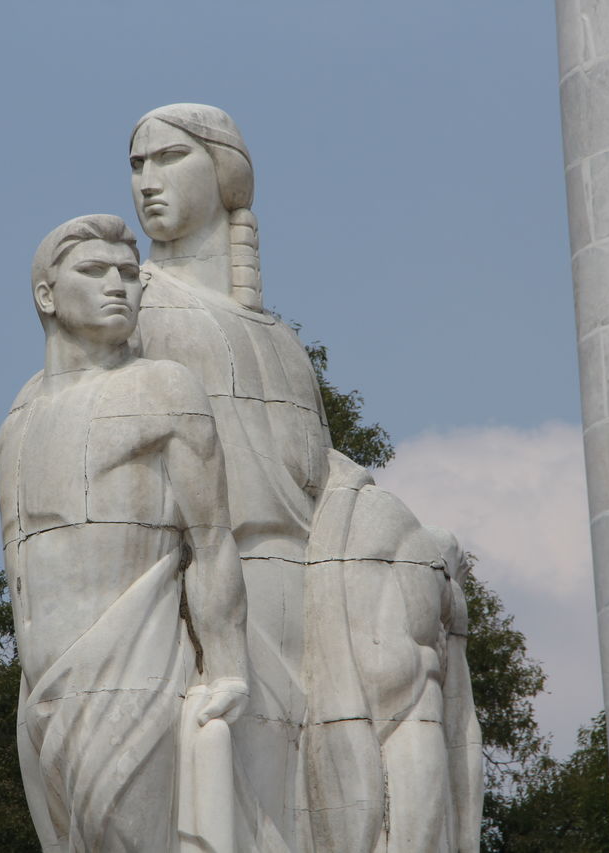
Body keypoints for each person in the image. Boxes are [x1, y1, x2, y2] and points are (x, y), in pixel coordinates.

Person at [129, 104, 482, 852]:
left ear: (223, 174)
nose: (147, 182)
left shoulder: (280, 340)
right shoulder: (134, 309)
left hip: (313, 595)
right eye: (137, 165)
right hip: (208, 595)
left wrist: (408, 538)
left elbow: (321, 474)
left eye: (168, 158)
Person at [0, 214, 251, 852]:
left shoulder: (164, 389)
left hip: (135, 668)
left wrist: (227, 670)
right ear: (46, 295)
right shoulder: (17, 420)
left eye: (130, 273)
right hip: (42, 688)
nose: (120, 285)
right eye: (94, 270)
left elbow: (212, 539)